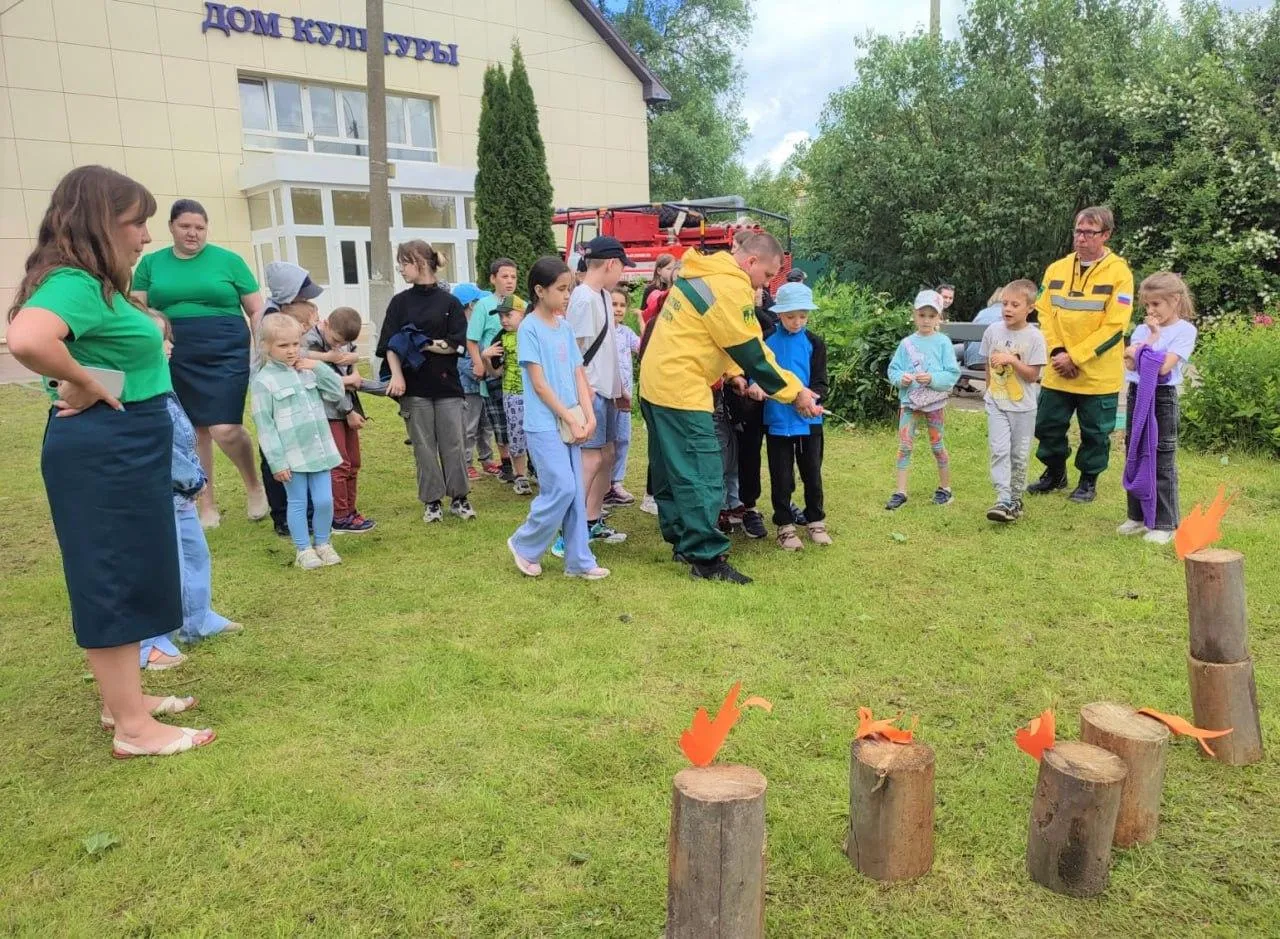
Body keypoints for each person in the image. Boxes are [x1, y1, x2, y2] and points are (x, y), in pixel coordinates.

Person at [7, 165, 213, 757]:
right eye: (135, 222)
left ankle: (123, 701)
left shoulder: (92, 282)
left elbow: (83, 349)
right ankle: (133, 729)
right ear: (97, 222)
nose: (146, 236)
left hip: (125, 438)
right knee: (113, 576)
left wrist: (89, 376)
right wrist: (84, 380)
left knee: (135, 568)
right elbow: (27, 339)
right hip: (106, 446)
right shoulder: (73, 281)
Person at [639, 231, 821, 584]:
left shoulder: (706, 272)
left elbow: (711, 334)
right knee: (703, 473)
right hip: (681, 388)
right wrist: (795, 392)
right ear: (751, 262)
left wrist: (733, 373)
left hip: (656, 382)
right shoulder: (731, 285)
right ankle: (706, 558)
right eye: (768, 276)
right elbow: (753, 352)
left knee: (669, 469)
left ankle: (682, 541)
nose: (765, 284)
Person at [131, 198, 267, 529]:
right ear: (171, 227)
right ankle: (206, 503)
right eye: (185, 227)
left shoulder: (229, 261)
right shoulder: (151, 263)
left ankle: (254, 485)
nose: (193, 233)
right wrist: (156, 337)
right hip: (176, 351)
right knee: (195, 431)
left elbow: (256, 308)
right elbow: (137, 308)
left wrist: (262, 347)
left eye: (200, 228)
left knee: (225, 427)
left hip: (225, 349)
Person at [141, 310, 242, 670]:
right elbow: (164, 443)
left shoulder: (163, 382)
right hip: (157, 494)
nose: (170, 346)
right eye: (160, 339)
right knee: (161, 565)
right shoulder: (139, 390)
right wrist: (193, 479)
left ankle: (197, 620)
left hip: (179, 494)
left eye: (169, 337)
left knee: (195, 555)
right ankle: (149, 641)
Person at [507, 257, 609, 581]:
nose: (567, 296)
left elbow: (578, 373)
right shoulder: (529, 328)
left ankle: (579, 560)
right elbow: (539, 383)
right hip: (543, 424)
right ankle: (525, 544)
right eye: (561, 289)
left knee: (576, 492)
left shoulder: (564, 326)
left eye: (570, 289)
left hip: (572, 421)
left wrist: (588, 416)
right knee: (562, 488)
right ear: (540, 290)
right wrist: (569, 416)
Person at [1028, 206, 1136, 503]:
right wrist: (1059, 352)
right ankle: (1055, 472)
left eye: (1090, 232)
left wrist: (1076, 357)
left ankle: (1088, 482)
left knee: (1095, 433)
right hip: (1058, 369)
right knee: (1046, 425)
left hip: (1097, 374)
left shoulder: (1120, 274)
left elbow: (1116, 325)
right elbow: (1044, 312)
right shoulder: (1056, 268)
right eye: (1078, 230)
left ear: (1106, 235)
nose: (1082, 238)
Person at [377, 240, 474, 523]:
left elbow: (457, 345)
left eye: (403, 264)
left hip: (447, 387)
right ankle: (432, 501)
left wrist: (424, 344)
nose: (401, 270)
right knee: (423, 446)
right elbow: (391, 345)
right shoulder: (400, 303)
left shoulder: (450, 303)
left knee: (453, 443)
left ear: (420, 261)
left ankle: (459, 497)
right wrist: (397, 374)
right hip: (414, 387)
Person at [251, 313, 345, 569]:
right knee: (298, 502)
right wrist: (277, 462)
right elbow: (265, 426)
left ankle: (323, 543)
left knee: (325, 500)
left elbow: (337, 392)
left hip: (319, 450)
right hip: (291, 456)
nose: (292, 350)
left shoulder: (308, 371)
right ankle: (303, 549)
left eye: (295, 344)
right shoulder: (263, 381)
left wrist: (319, 367)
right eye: (283, 345)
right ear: (267, 347)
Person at [1119, 272, 1198, 544]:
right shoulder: (1143, 330)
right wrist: (1149, 345)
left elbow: (1164, 368)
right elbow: (1129, 363)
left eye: (1157, 305)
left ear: (1175, 300)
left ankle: (1165, 522)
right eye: (1148, 305)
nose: (1151, 311)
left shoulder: (1185, 331)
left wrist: (1142, 353)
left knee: (1161, 456)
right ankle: (1137, 516)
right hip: (1137, 392)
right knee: (1134, 451)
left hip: (1162, 397)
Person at [256, 262, 329, 536]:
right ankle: (283, 516)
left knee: (300, 450)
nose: (308, 303)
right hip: (274, 392)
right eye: (303, 297)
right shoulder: (270, 319)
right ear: (288, 296)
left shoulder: (286, 318)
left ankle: (305, 511)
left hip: (294, 389)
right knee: (274, 453)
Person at [567, 237, 631, 545]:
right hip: (589, 393)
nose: (623, 274)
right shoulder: (583, 298)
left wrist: (619, 389)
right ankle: (569, 527)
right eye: (622, 267)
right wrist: (583, 395)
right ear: (611, 264)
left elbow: (607, 349)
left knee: (606, 455)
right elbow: (574, 353)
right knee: (590, 460)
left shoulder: (603, 296)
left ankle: (592, 521)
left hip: (605, 392)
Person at [762, 282, 831, 549]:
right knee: (781, 475)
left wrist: (811, 400)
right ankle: (785, 524)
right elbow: (760, 375)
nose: (797, 322)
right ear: (779, 314)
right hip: (777, 419)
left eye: (802, 316)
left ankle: (816, 520)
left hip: (809, 420)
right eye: (791, 317)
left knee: (812, 472)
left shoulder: (815, 342)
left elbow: (821, 383)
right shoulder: (766, 340)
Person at [303, 306, 377, 534]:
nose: (337, 346)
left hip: (347, 408)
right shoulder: (309, 342)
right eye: (334, 340)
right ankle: (340, 516)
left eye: (342, 343)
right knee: (339, 463)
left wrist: (351, 362)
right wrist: (348, 410)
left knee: (354, 462)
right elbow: (327, 384)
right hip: (330, 411)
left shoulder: (342, 343)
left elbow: (350, 366)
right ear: (325, 324)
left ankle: (351, 511)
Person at [885, 290, 961, 510]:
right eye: (922, 314)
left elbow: (951, 373)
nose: (926, 320)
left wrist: (933, 378)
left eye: (931, 315)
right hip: (910, 403)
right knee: (905, 445)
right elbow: (894, 370)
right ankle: (900, 492)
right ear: (914, 315)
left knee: (937, 444)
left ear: (939, 318)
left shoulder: (943, 342)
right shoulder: (906, 343)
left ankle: (945, 488)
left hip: (934, 404)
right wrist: (902, 379)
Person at [979, 280, 1048, 523]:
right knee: (999, 450)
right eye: (1005, 303)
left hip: (1023, 408)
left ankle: (1016, 499)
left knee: (1018, 455)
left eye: (1015, 304)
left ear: (1030, 307)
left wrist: (1012, 360)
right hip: (997, 403)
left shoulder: (1035, 337)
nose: (1007, 308)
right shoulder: (992, 331)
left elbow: (1033, 375)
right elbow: (988, 365)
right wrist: (990, 393)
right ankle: (1003, 498)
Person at [728, 284, 778, 539]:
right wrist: (741, 378)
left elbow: (772, 354)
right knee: (747, 454)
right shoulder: (727, 315)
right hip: (743, 399)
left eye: (756, 289)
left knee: (781, 455)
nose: (753, 293)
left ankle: (783, 503)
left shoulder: (768, 319)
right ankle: (748, 506)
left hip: (775, 398)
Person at [467, 259, 522, 482]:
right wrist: (480, 363)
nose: (509, 281)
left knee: (520, 420)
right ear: (492, 279)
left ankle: (527, 465)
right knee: (499, 420)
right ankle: (506, 463)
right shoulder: (483, 305)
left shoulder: (521, 304)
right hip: (493, 371)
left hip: (519, 373)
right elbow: (472, 339)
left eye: (513, 277)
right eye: (504, 276)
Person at [452, 282, 497, 480]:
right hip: (470, 388)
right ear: (470, 305)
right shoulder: (461, 331)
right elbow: (462, 364)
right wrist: (482, 373)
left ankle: (487, 459)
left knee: (486, 426)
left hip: (484, 387)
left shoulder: (478, 325)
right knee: (469, 428)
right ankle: (467, 462)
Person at [606, 286, 641, 506]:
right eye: (614, 304)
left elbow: (644, 347)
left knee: (623, 438)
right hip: (606, 396)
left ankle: (616, 482)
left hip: (624, 399)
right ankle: (603, 485)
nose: (618, 309)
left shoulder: (626, 333)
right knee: (605, 442)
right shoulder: (602, 331)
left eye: (622, 305)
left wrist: (645, 320)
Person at [494, 296, 533, 495]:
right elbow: (495, 370)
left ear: (523, 314)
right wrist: (486, 357)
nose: (504, 320)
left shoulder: (533, 332)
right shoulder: (501, 337)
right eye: (501, 316)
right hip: (512, 394)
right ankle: (520, 475)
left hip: (536, 393)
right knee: (516, 433)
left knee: (539, 434)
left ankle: (538, 470)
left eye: (508, 315)